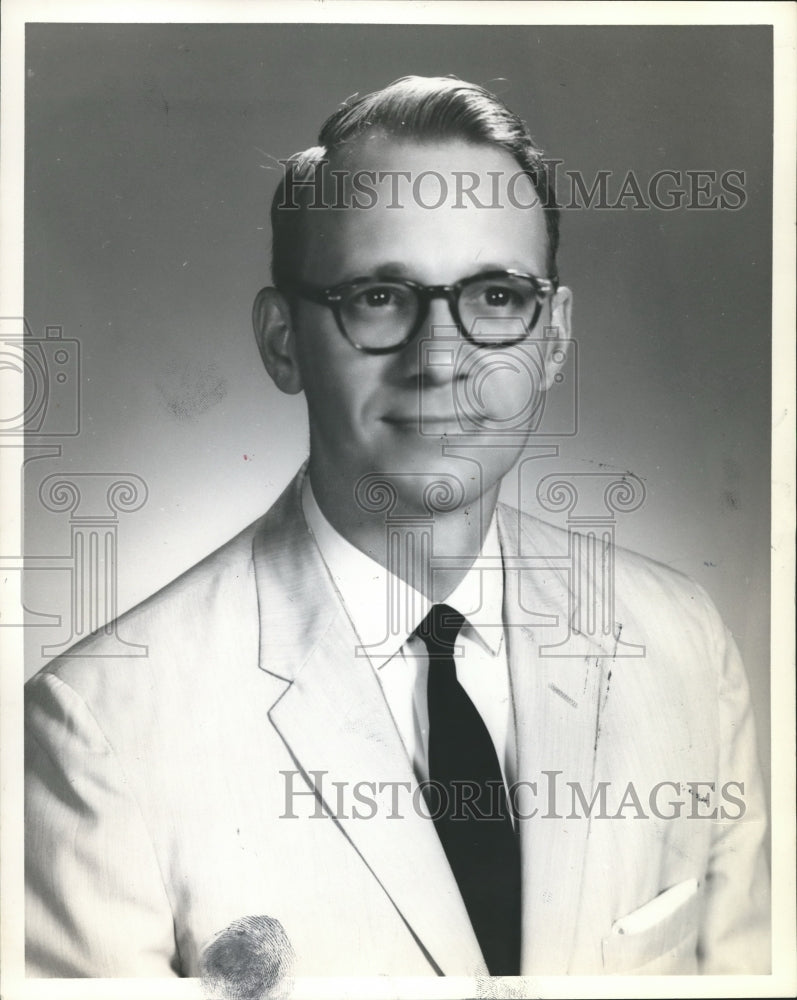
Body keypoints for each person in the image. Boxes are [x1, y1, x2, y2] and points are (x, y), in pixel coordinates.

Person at [25, 75, 770, 982]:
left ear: (554, 338)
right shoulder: (101, 725)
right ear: (282, 340)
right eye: (378, 298)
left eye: (496, 296)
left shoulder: (681, 642)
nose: (441, 359)